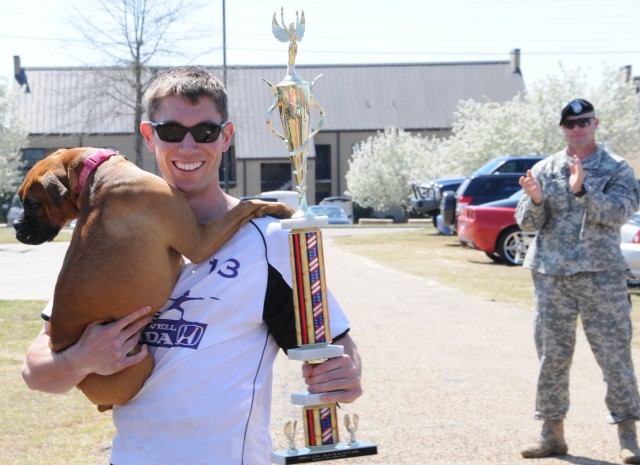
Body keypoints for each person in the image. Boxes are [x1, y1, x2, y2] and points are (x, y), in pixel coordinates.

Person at [21, 66, 363, 465]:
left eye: (204, 132)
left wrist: (346, 373)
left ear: (226, 138)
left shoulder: (270, 239)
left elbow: (334, 343)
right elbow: (36, 372)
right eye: (170, 131)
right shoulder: (101, 237)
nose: (187, 146)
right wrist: (81, 359)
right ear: (149, 136)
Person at [516, 98, 640, 464]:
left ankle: (629, 436)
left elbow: (619, 213)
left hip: (601, 277)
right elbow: (526, 223)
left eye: (584, 121)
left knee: (615, 356)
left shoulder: (616, 168)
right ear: (563, 128)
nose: (578, 129)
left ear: (596, 123)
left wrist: (584, 191)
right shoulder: (545, 168)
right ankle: (551, 435)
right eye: (570, 124)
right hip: (552, 276)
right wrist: (536, 200)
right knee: (551, 357)